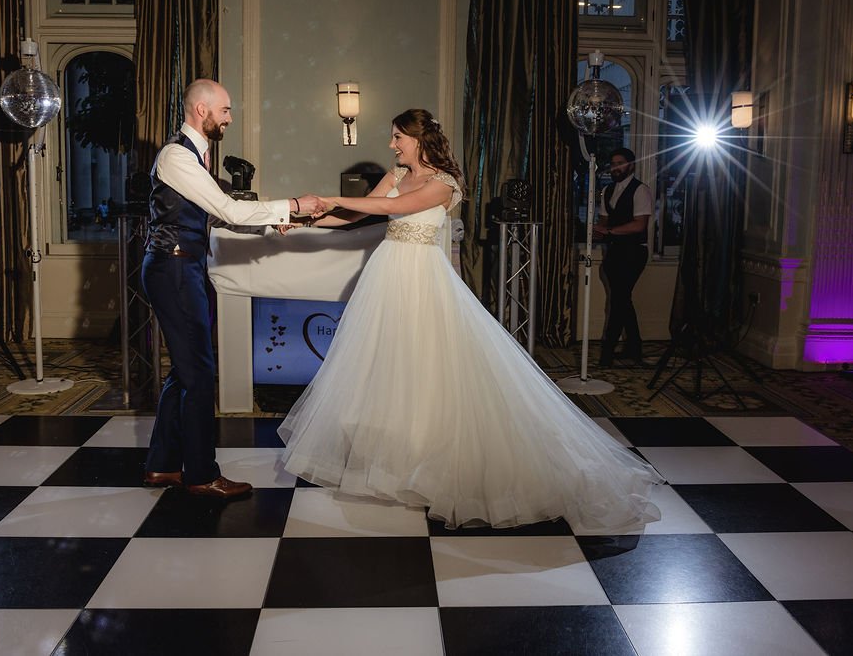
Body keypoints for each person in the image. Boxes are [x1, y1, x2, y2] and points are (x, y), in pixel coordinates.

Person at [277, 109, 661, 532]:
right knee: (391, 365)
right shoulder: (396, 173)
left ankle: (431, 459)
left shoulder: (444, 184)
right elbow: (360, 216)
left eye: (397, 137)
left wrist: (330, 198)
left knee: (430, 364)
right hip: (385, 275)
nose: (391, 145)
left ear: (418, 139)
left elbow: (401, 207)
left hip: (421, 278)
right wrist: (300, 221)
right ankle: (395, 461)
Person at [142, 78, 321, 497]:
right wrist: (294, 205)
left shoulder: (195, 157)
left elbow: (217, 212)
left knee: (184, 374)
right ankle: (202, 475)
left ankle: (162, 466)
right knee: (201, 374)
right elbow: (227, 208)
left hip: (180, 267)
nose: (229, 118)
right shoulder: (176, 156)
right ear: (201, 111)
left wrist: (271, 220)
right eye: (224, 110)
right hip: (172, 269)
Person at [594, 147, 653, 367]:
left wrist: (609, 232)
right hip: (614, 252)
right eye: (613, 164)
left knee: (619, 301)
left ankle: (607, 353)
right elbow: (604, 221)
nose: (615, 167)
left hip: (634, 252)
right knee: (622, 300)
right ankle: (634, 349)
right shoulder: (608, 190)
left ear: (631, 165)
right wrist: (596, 230)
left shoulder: (641, 191)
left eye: (620, 163)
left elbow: (640, 225)